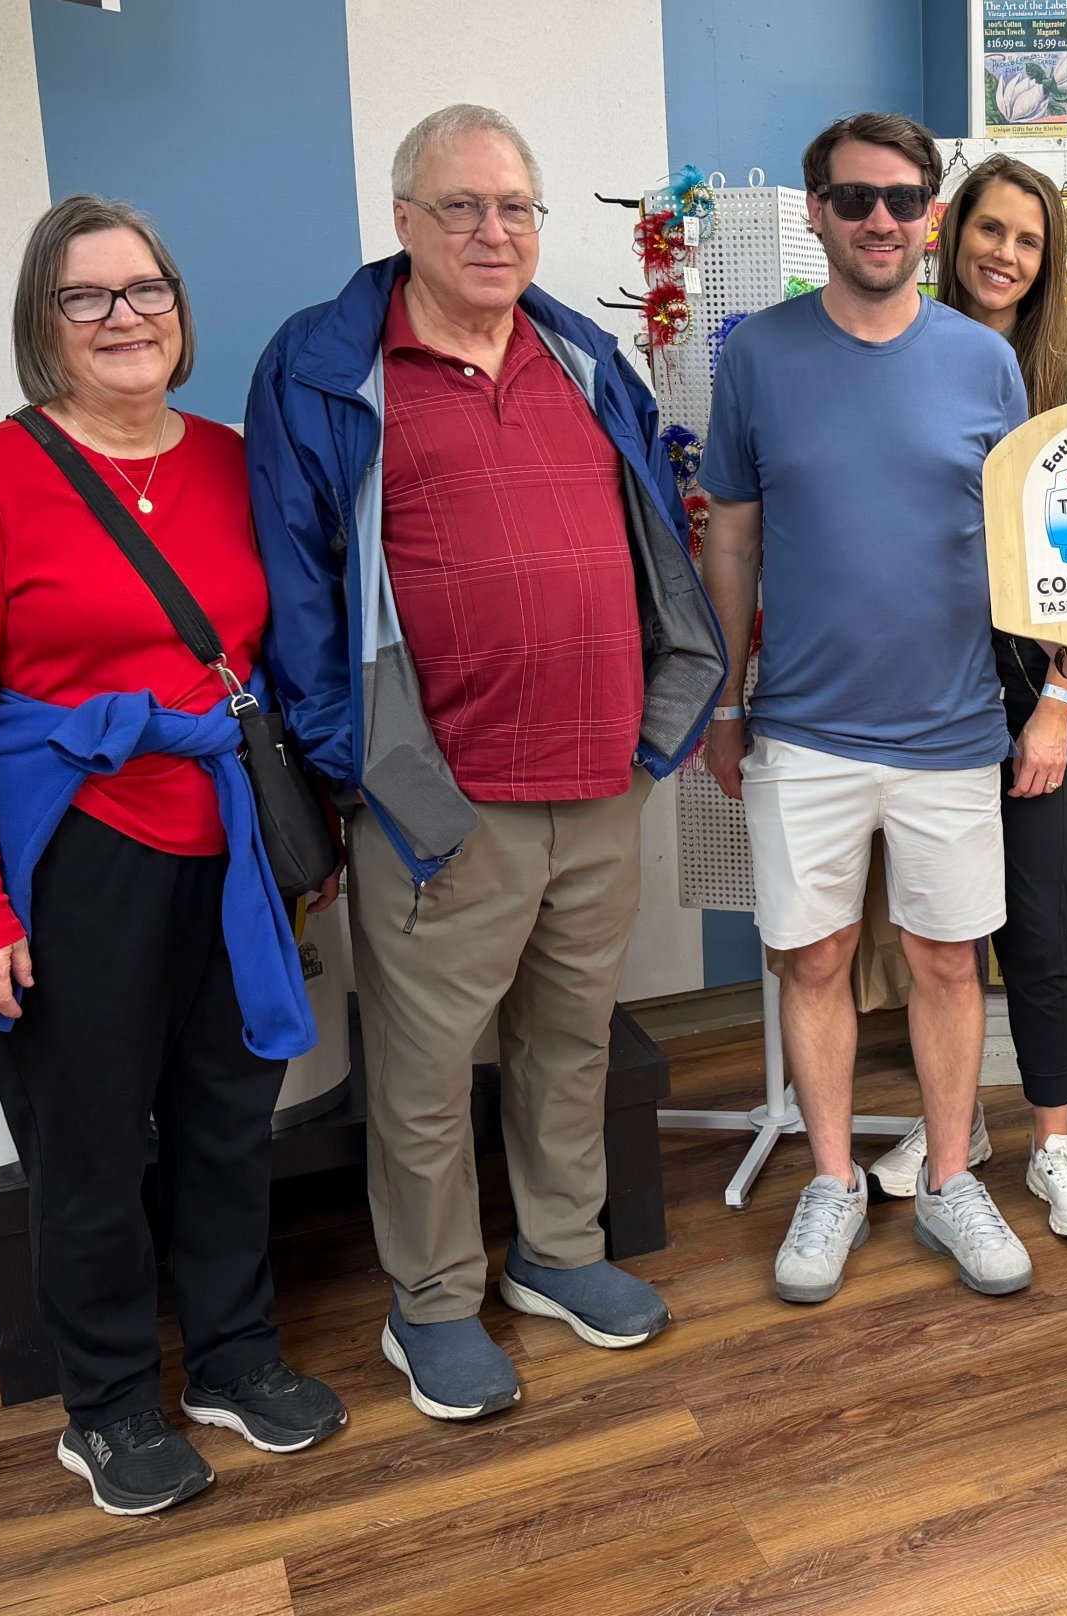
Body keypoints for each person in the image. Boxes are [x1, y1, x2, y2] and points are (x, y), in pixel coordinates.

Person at [249, 105, 725, 1422]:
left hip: (601, 772)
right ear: (403, 219)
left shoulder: (578, 354)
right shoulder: (326, 368)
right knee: (422, 1069)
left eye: (515, 206)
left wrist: (653, 736)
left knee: (570, 1039)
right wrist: (363, 768)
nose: (492, 231)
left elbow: (649, 539)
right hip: (436, 799)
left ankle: (557, 1251)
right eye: (460, 206)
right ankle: (432, 1300)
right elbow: (298, 591)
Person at [0, 194, 345, 1518]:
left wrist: (308, 826)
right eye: (85, 296)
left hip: (224, 839)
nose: (122, 317)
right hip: (71, 847)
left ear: (177, 307)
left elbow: (272, 651)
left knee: (227, 1119)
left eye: (144, 288)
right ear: (44, 322)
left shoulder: (227, 459)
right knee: (89, 1145)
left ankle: (231, 1356)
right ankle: (103, 1406)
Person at [699, 114, 1067, 1304]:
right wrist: (723, 701)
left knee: (948, 961)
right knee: (815, 957)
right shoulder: (757, 356)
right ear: (816, 211)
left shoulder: (981, 365)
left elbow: (1028, 551)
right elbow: (731, 536)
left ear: (927, 216)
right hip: (801, 724)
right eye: (854, 198)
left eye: (902, 199)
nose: (879, 220)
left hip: (950, 729)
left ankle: (950, 1178)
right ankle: (831, 1178)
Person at [863, 154, 1067, 1240]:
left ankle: (1053, 1143)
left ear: (1048, 258)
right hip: (917, 693)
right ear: (949, 230)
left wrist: (1057, 702)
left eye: (1027, 238)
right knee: (940, 932)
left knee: (1038, 921)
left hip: (1027, 696)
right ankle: (953, 1124)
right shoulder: (892, 353)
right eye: (988, 229)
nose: (1003, 254)